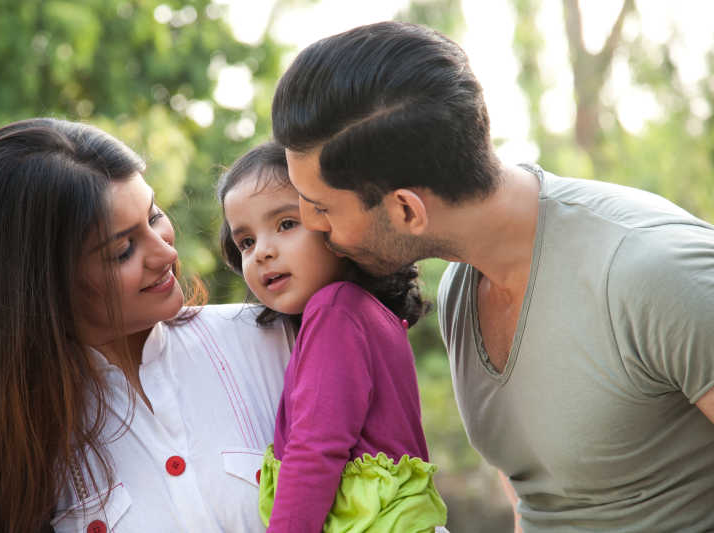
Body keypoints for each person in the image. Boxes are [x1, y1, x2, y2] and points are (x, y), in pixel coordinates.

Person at [269, 20, 714, 533]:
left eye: (321, 207)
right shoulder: (463, 283)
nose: (309, 224)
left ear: (407, 211)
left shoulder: (655, 272)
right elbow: (534, 495)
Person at [0, 118, 292, 533]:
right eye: (122, 250)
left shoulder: (274, 339)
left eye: (154, 217)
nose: (165, 253)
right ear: (42, 287)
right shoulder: (10, 454)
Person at [217, 140, 448, 533]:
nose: (261, 253)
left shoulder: (335, 311)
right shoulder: (366, 315)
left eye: (286, 224)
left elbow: (314, 450)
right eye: (246, 242)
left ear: (335, 225)